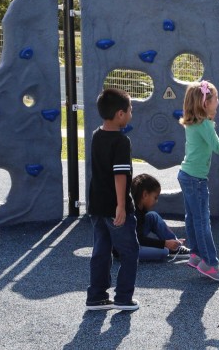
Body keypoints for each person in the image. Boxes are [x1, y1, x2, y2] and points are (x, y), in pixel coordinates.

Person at [178, 80, 219, 282]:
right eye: (215, 98)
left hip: (187, 175)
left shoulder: (195, 122)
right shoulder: (204, 124)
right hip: (195, 179)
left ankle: (196, 254)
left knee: (193, 217)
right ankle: (210, 263)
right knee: (202, 220)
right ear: (205, 103)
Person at [86, 88, 139, 311]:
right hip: (114, 206)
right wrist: (121, 206)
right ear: (120, 114)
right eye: (130, 110)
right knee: (129, 251)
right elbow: (119, 176)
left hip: (96, 205)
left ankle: (96, 296)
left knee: (101, 250)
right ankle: (123, 298)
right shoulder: (121, 141)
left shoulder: (96, 135)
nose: (131, 113)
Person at [131, 173, 191, 261]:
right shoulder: (132, 213)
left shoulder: (141, 207)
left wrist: (167, 242)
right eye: (155, 197)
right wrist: (164, 243)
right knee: (164, 251)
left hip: (136, 239)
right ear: (145, 195)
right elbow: (138, 239)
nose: (156, 201)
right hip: (127, 248)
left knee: (153, 216)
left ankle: (175, 246)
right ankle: (170, 247)